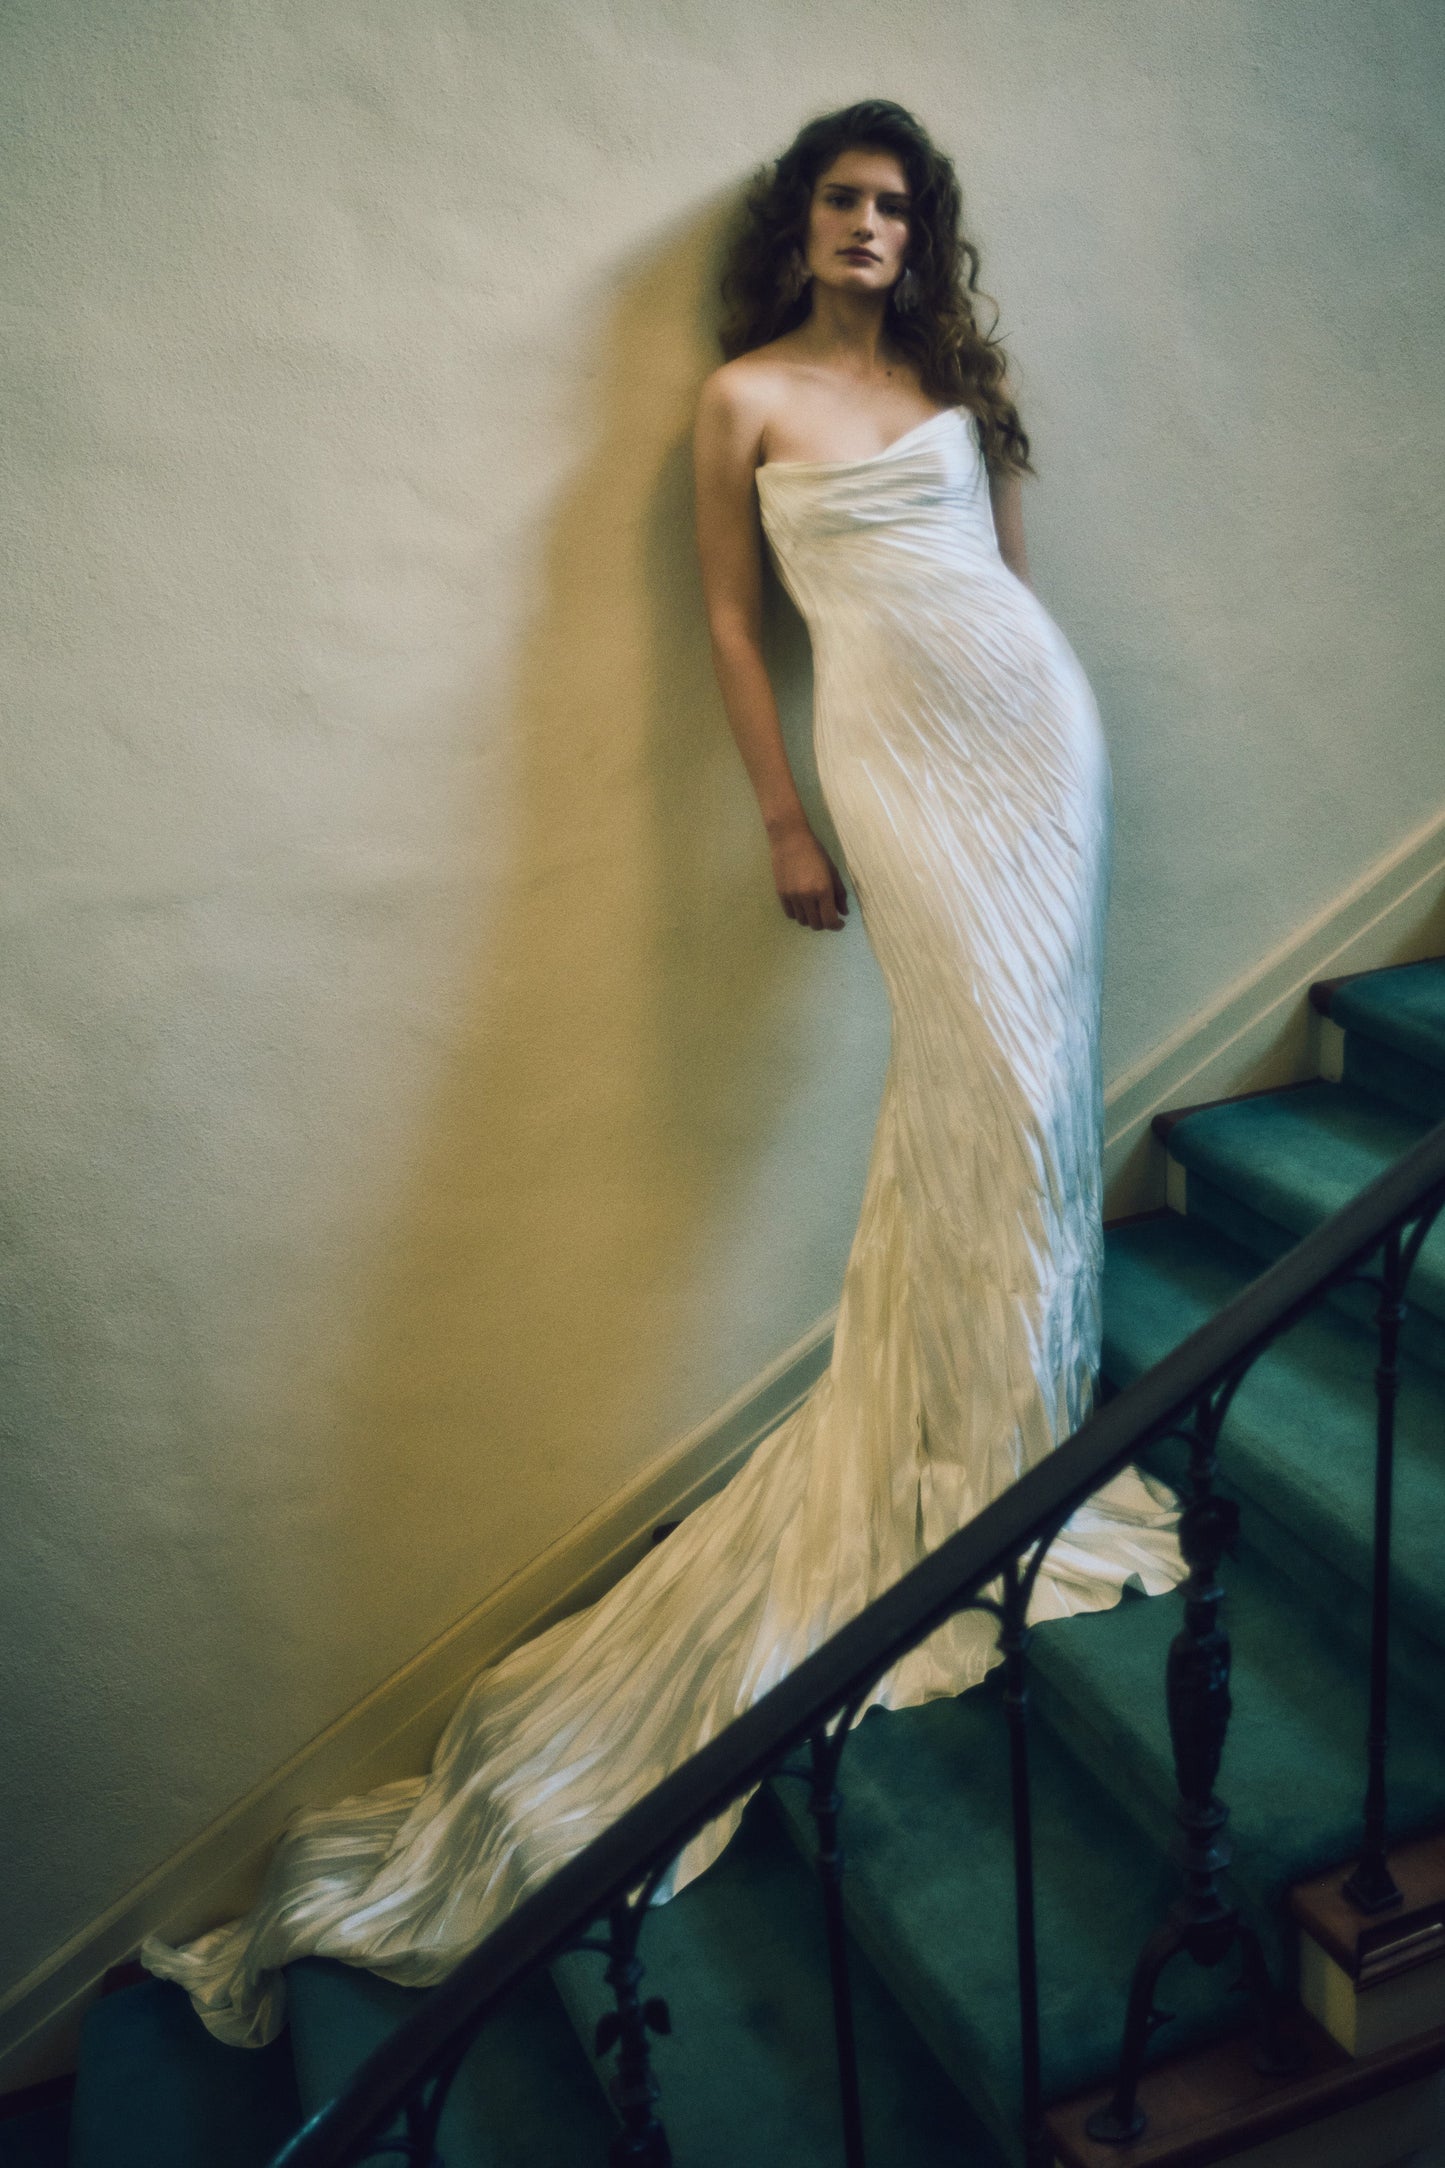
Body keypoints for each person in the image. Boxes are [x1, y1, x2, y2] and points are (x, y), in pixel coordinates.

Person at [141, 100, 1184, 2050]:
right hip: (895, 768)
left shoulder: (960, 382)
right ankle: (976, 1459)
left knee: (1036, 1102)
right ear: (800, 224)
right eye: (845, 200)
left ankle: (1024, 1442)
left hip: (1038, 747)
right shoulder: (741, 401)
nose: (872, 226)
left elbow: (1010, 597)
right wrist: (785, 818)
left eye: (899, 205)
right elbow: (730, 617)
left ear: (918, 234)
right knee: (980, 1100)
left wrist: (1045, 722)